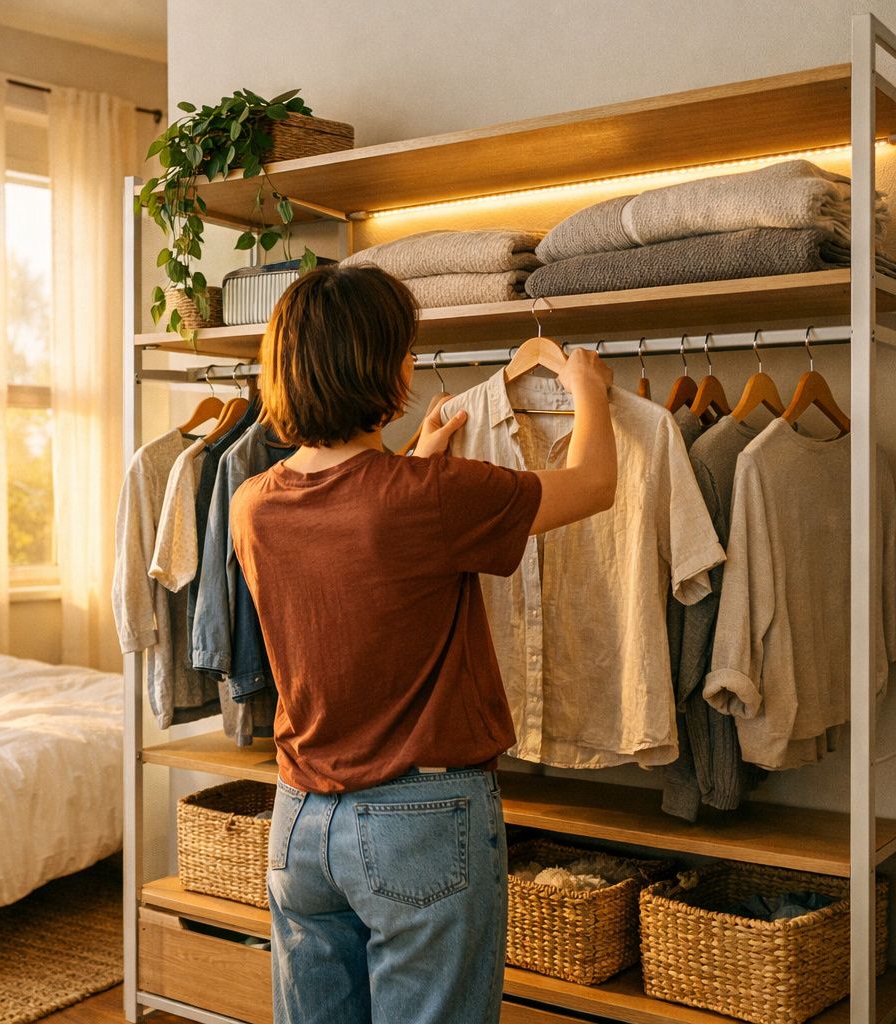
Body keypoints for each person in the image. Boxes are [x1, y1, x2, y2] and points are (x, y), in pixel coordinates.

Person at [230, 264, 616, 1024]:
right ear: (384, 366)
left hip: (300, 822)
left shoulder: (252, 504)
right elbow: (594, 483)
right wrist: (590, 390)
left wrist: (414, 456)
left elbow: (353, 521)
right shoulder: (433, 497)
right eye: (404, 348)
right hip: (420, 820)